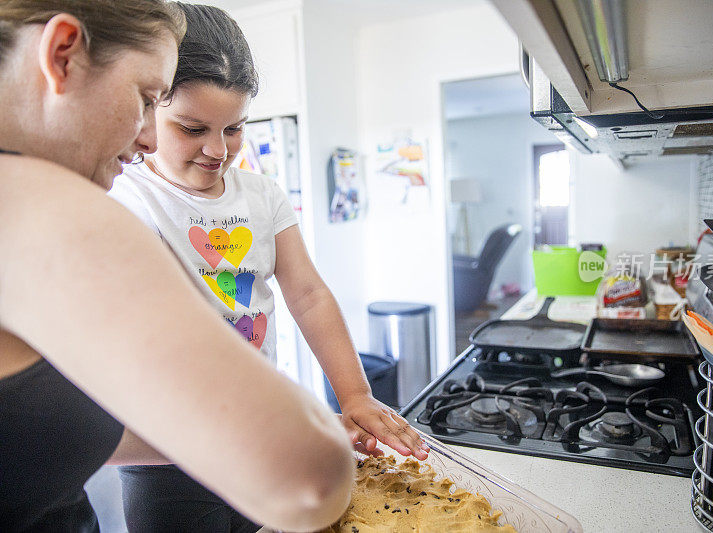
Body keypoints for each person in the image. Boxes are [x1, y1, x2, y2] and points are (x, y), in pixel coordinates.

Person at [0, 2, 357, 532]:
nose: (145, 137)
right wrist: (303, 438)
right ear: (63, 54)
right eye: (147, 98)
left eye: (233, 128)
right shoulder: (40, 202)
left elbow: (37, 432)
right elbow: (310, 476)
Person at [107, 3, 429, 531]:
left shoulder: (261, 195)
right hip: (167, 461)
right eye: (191, 128)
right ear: (148, 113)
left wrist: (354, 394)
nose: (218, 150)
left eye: (234, 128)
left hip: (260, 441)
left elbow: (308, 295)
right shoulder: (125, 196)